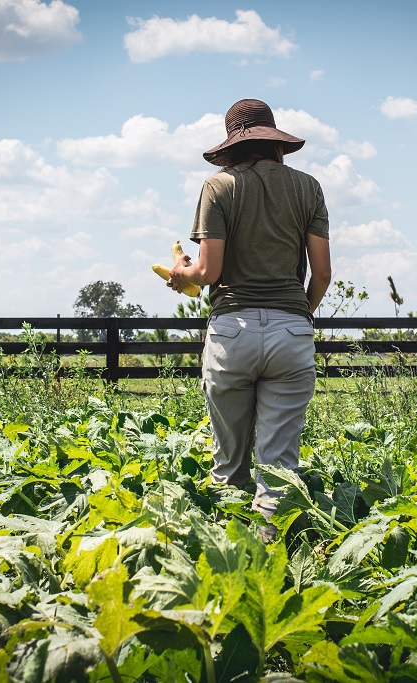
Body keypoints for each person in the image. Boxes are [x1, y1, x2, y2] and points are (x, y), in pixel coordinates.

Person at [167, 98, 331, 539]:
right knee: (278, 470)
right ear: (275, 142)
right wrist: (297, 317)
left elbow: (208, 273)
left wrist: (180, 272)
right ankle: (274, 552)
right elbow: (322, 274)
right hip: (290, 331)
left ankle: (229, 554)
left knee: (229, 466)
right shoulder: (309, 188)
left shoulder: (218, 186)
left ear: (232, 146)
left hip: (232, 332)